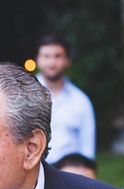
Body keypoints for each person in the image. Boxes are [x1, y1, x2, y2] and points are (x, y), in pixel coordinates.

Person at [36, 34, 95, 164]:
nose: (52, 62)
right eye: (46, 56)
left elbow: (88, 149)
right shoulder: (24, 96)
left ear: (68, 61)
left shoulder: (81, 101)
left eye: (57, 56)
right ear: (38, 60)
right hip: (32, 170)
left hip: (69, 172)